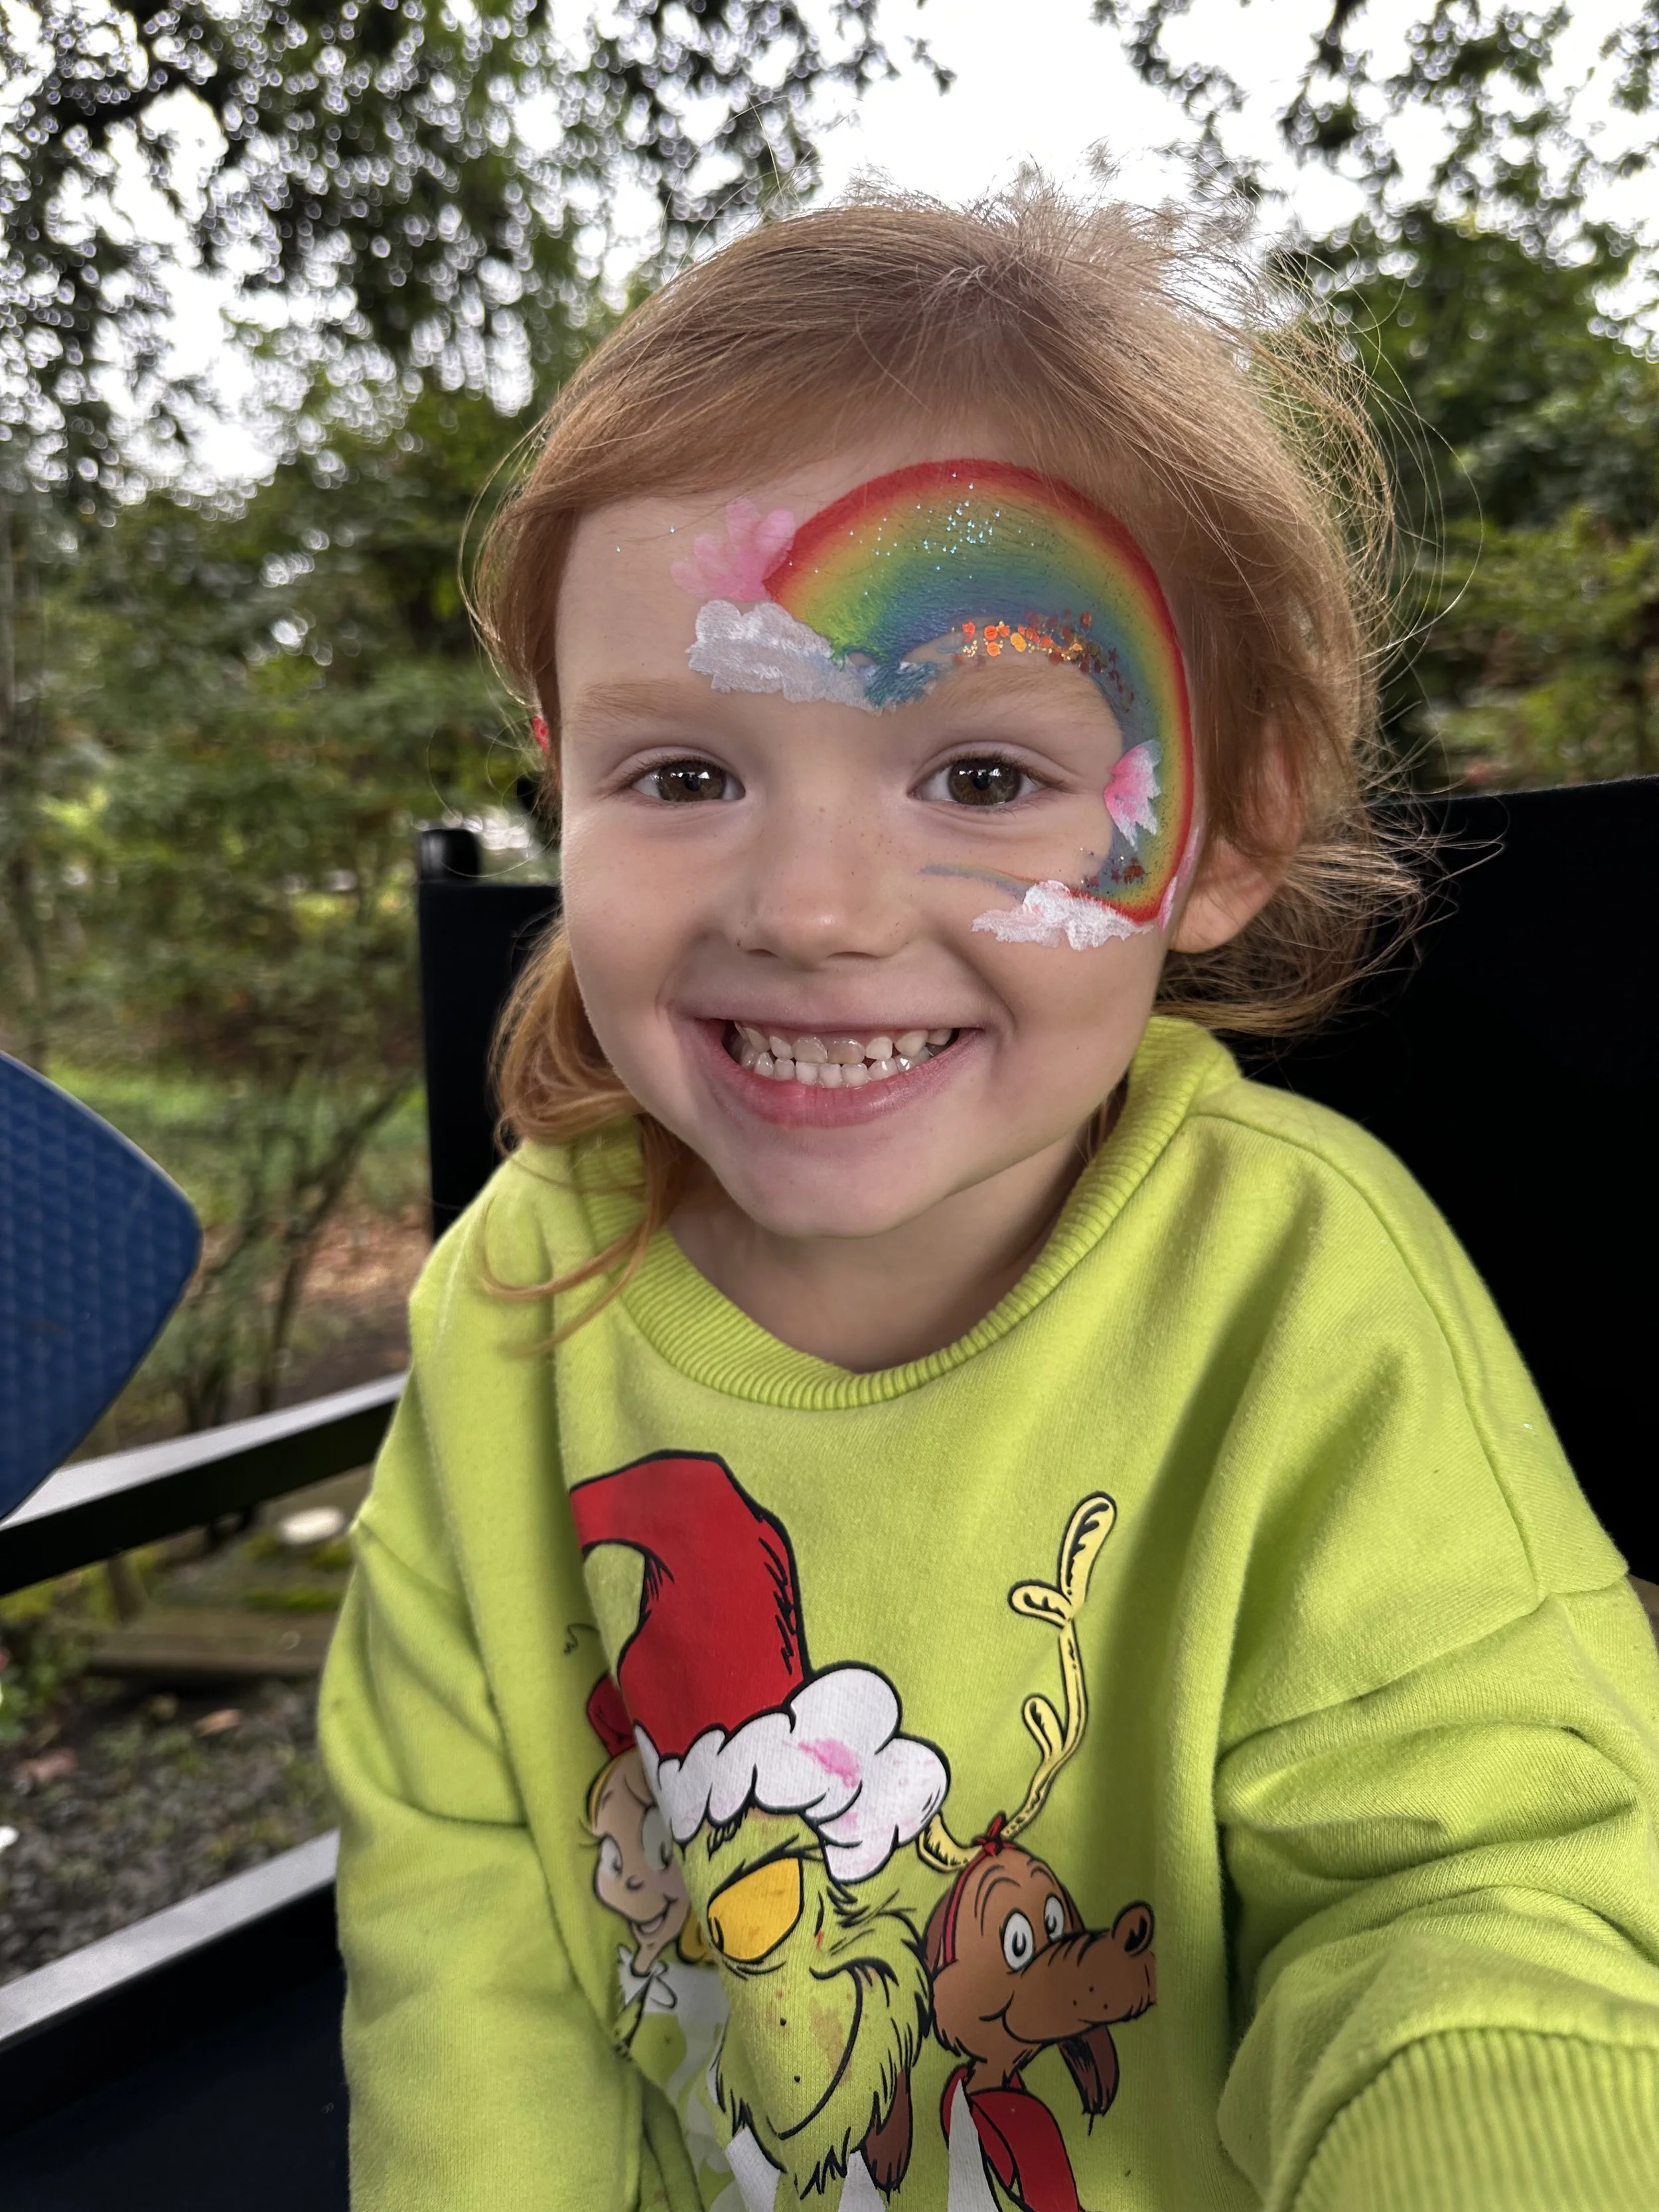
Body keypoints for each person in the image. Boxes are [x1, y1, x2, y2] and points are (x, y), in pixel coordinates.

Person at [319, 184, 1659, 2212]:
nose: (816, 910)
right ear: (558, 785)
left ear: (1223, 827)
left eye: (979, 777)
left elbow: (1467, 1898)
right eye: (682, 774)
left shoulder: (1296, 1287)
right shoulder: (507, 1307)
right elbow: (463, 1937)